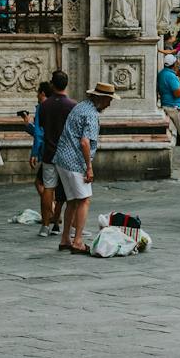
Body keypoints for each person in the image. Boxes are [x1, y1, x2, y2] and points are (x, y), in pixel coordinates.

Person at [53, 81, 117, 255]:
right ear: (101, 98)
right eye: (109, 100)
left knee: (72, 201)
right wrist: (89, 167)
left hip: (62, 159)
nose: (109, 104)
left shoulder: (80, 106)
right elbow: (84, 141)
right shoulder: (91, 114)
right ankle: (78, 241)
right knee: (84, 200)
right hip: (75, 162)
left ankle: (65, 238)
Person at [34, 70, 75, 238]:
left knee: (48, 189)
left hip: (49, 153)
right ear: (66, 84)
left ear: (52, 84)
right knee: (67, 192)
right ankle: (62, 224)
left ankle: (45, 226)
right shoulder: (73, 105)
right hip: (66, 155)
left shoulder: (44, 105)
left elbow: (41, 127)